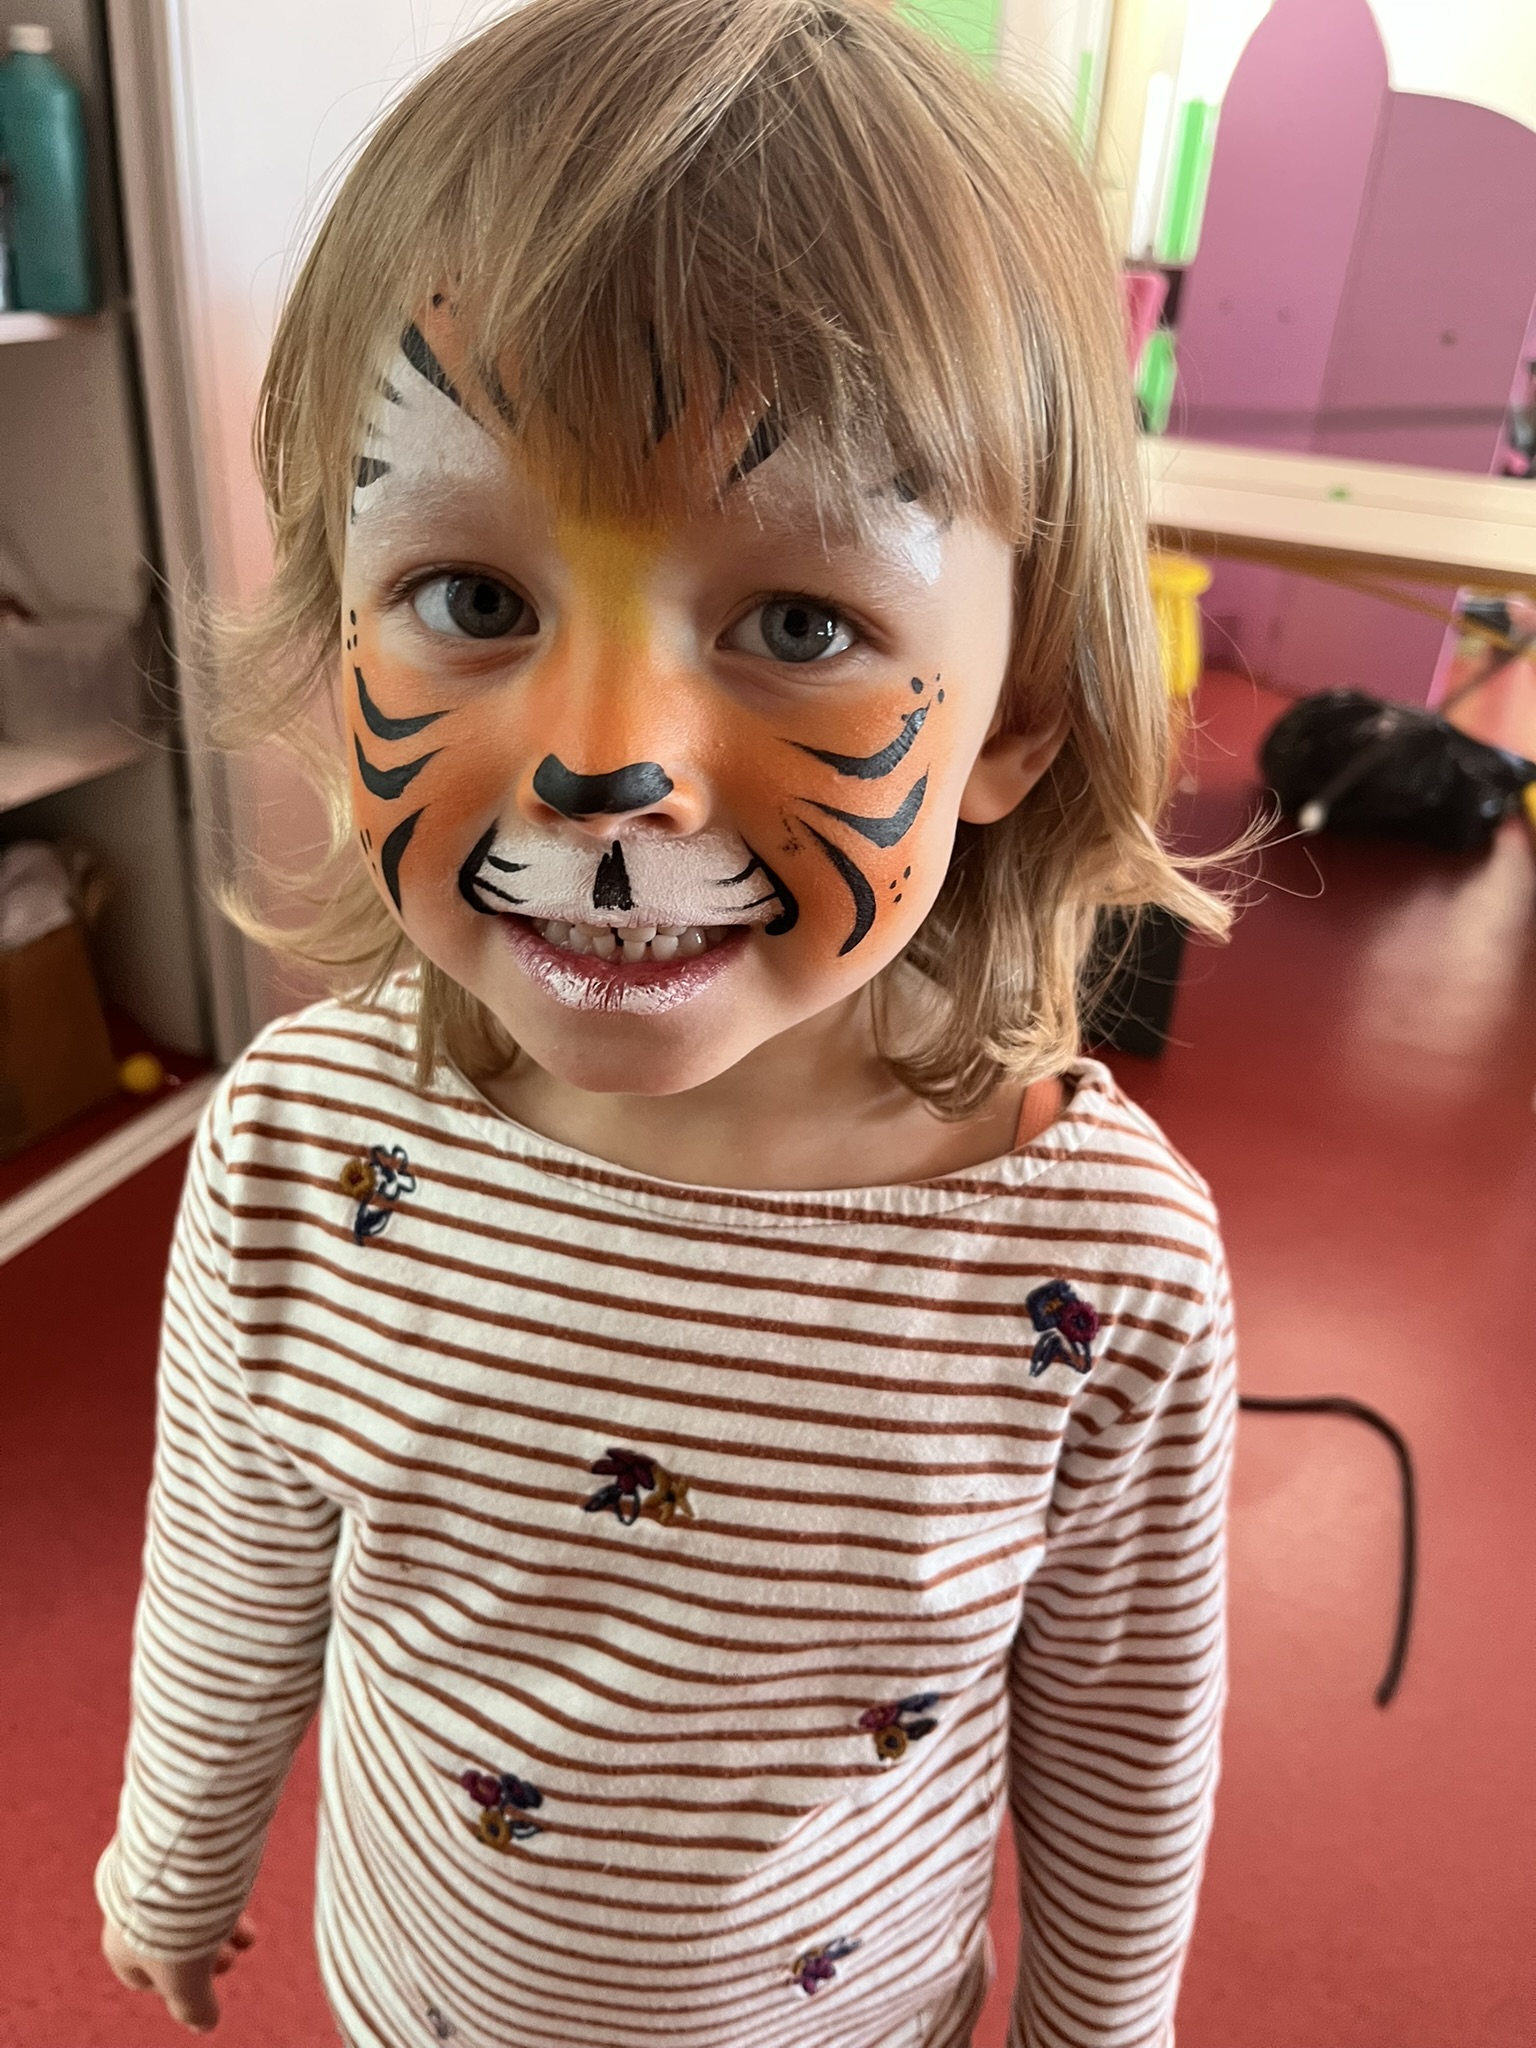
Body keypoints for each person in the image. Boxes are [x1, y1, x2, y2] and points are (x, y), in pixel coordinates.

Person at [97, 3, 1238, 2042]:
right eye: (473, 598)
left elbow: (1121, 1742)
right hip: (414, 2003)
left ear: (1024, 714)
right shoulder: (300, 1153)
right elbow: (232, 1564)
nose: (604, 762)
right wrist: (176, 1854)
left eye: (800, 623)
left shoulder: (1100, 1269)